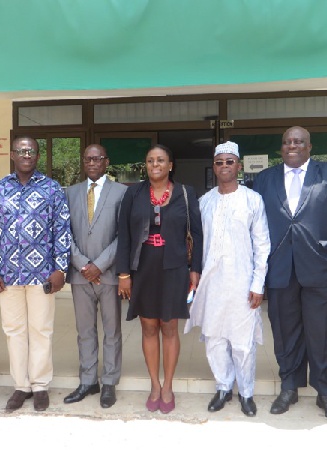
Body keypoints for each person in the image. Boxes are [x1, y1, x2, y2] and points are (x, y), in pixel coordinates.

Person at [253, 126, 327, 424]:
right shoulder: (265, 178)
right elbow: (256, 225)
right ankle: (289, 386)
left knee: (323, 332)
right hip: (280, 268)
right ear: (281, 148)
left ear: (310, 147)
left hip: (323, 267)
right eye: (286, 142)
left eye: (298, 142)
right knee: (285, 331)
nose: (292, 146)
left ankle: (325, 392)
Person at [0, 136, 71, 412]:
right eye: (21, 151)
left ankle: (41, 385)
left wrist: (60, 268)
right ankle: (21, 386)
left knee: (41, 330)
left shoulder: (52, 189)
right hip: (7, 276)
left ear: (38, 155)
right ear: (12, 155)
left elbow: (62, 231)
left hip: (42, 275)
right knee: (14, 331)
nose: (26, 155)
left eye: (31, 151)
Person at [184, 141, 270, 417]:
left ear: (238, 166)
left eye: (229, 162)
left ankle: (246, 393)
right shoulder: (205, 201)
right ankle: (223, 386)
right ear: (215, 166)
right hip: (212, 283)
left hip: (243, 281)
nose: (224, 166)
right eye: (219, 162)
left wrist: (258, 283)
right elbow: (195, 243)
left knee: (243, 341)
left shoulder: (252, 199)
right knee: (214, 338)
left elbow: (262, 244)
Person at [116, 144, 202, 414]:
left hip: (174, 268)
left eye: (161, 160)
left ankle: (168, 386)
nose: (155, 165)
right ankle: (154, 385)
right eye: (150, 160)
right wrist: (123, 274)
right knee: (149, 327)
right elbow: (124, 236)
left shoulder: (186, 194)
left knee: (169, 327)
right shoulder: (133, 194)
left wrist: (195, 269)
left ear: (170, 165)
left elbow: (197, 234)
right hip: (143, 268)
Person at [64, 144, 127, 408]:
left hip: (109, 274)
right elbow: (63, 231)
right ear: (83, 162)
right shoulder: (70, 192)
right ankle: (88, 381)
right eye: (88, 159)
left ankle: (109, 382)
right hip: (80, 276)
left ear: (106, 161)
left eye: (97, 158)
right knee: (85, 331)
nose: (92, 162)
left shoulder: (122, 192)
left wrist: (99, 265)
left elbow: (124, 234)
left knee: (111, 331)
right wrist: (82, 264)